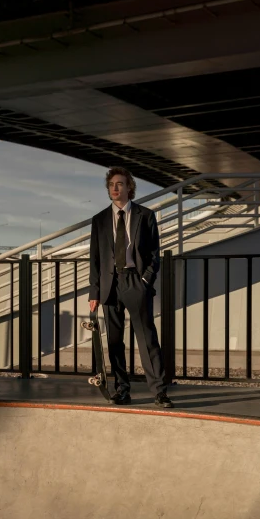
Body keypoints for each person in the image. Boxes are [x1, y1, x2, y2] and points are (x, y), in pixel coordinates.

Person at [88, 166, 173, 407]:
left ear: (129, 188)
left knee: (147, 339)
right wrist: (94, 292)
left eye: (120, 184)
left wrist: (145, 280)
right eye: (111, 185)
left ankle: (159, 391)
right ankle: (122, 390)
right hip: (109, 285)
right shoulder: (99, 220)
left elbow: (155, 254)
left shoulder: (145, 216)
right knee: (115, 341)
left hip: (136, 282)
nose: (115, 188)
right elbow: (95, 259)